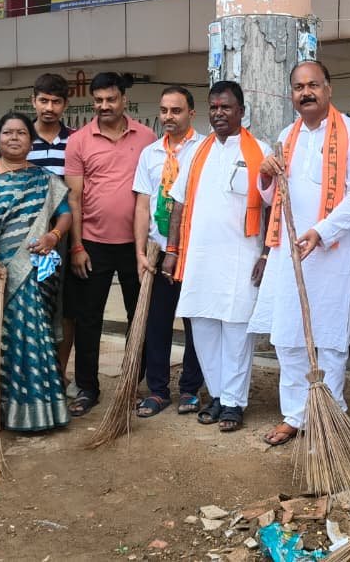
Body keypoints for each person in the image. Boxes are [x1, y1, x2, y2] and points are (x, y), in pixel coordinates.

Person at [253, 60, 350, 447]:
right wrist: (265, 174)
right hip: (289, 249)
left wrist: (321, 232)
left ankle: (330, 414)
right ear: (292, 94)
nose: (306, 93)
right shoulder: (285, 136)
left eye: (313, 85)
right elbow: (271, 197)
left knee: (330, 337)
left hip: (333, 250)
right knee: (288, 335)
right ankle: (294, 415)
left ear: (328, 89)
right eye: (299, 87)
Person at [164, 80, 272, 432]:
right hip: (200, 257)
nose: (219, 113)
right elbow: (178, 204)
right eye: (214, 107)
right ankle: (218, 395)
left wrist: (267, 254)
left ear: (241, 111)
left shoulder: (260, 151)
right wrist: (172, 250)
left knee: (237, 332)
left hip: (243, 257)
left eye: (226, 107)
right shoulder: (197, 152)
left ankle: (234, 403)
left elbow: (274, 207)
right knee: (203, 328)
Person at [0, 112, 72, 432]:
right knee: (0, 340)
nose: (14, 138)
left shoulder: (45, 178)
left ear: (31, 140)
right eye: (8, 132)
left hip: (34, 274)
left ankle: (42, 410)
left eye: (21, 133)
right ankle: (2, 409)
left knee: (37, 336)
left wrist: (53, 236)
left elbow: (65, 215)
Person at [63, 72, 156, 416]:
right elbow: (74, 198)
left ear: (123, 100)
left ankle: (134, 383)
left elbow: (153, 190)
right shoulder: (79, 141)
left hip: (137, 246)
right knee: (88, 319)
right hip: (92, 244)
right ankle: (87, 388)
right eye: (98, 100)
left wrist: (148, 245)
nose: (104, 106)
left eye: (110, 99)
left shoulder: (146, 137)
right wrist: (76, 247)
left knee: (139, 316)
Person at [132, 86, 204, 418]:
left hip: (193, 251)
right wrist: (140, 252)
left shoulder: (204, 149)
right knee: (157, 323)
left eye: (176, 110)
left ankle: (190, 389)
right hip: (158, 250)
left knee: (195, 324)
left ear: (191, 113)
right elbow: (142, 205)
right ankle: (158, 391)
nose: (168, 117)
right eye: (164, 110)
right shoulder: (150, 154)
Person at [27, 73, 78, 386]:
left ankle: (58, 374)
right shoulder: (19, 137)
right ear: (33, 100)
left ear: (65, 104)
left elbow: (76, 194)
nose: (49, 107)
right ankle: (32, 374)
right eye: (43, 100)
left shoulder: (75, 141)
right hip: (26, 238)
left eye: (56, 101)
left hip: (64, 234)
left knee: (64, 308)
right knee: (29, 306)